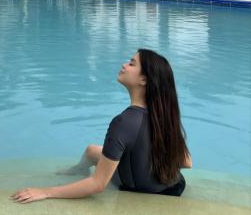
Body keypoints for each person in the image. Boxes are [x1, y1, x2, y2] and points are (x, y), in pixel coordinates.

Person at [10, 49, 192, 204]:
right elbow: (186, 162)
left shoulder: (124, 122)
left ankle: (77, 170)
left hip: (142, 190)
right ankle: (78, 169)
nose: (124, 65)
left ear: (143, 80)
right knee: (91, 151)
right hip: (175, 186)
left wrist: (46, 192)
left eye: (132, 63)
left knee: (96, 155)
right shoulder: (164, 116)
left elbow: (97, 185)